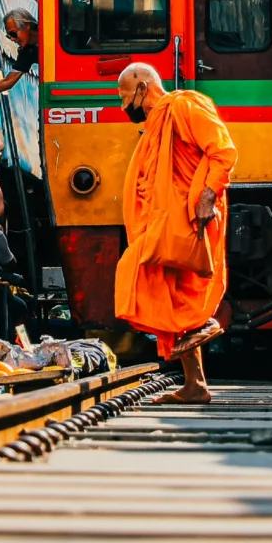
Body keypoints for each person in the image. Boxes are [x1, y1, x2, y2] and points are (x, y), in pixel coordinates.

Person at [113, 62, 236, 404]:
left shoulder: (183, 105)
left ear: (142, 87)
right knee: (167, 288)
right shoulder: (155, 124)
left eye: (127, 99)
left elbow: (223, 151)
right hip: (165, 217)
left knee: (137, 270)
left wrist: (208, 197)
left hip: (191, 213)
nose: (126, 109)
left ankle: (206, 322)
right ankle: (195, 385)